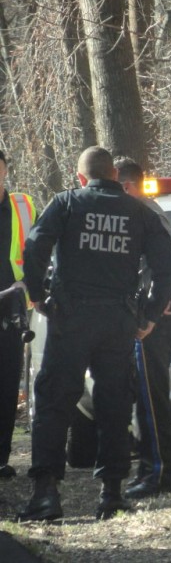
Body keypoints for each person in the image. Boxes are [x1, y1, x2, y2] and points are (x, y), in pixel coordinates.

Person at [17, 146, 171, 522]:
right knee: (114, 404)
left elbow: (35, 248)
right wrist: (150, 314)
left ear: (81, 177)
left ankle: (46, 495)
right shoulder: (138, 211)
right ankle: (111, 493)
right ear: (114, 177)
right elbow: (166, 265)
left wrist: (39, 297)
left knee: (55, 402)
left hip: (71, 317)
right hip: (118, 321)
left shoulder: (67, 203)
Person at [115, 158, 171, 499]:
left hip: (153, 320)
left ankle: (159, 474)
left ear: (126, 186)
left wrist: (152, 308)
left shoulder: (145, 214)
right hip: (150, 316)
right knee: (143, 399)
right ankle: (149, 470)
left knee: (151, 402)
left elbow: (167, 265)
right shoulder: (141, 211)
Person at [0, 150, 36, 480]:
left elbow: (39, 247)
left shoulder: (23, 206)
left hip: (11, 309)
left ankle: (1, 458)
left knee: (8, 384)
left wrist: (33, 283)